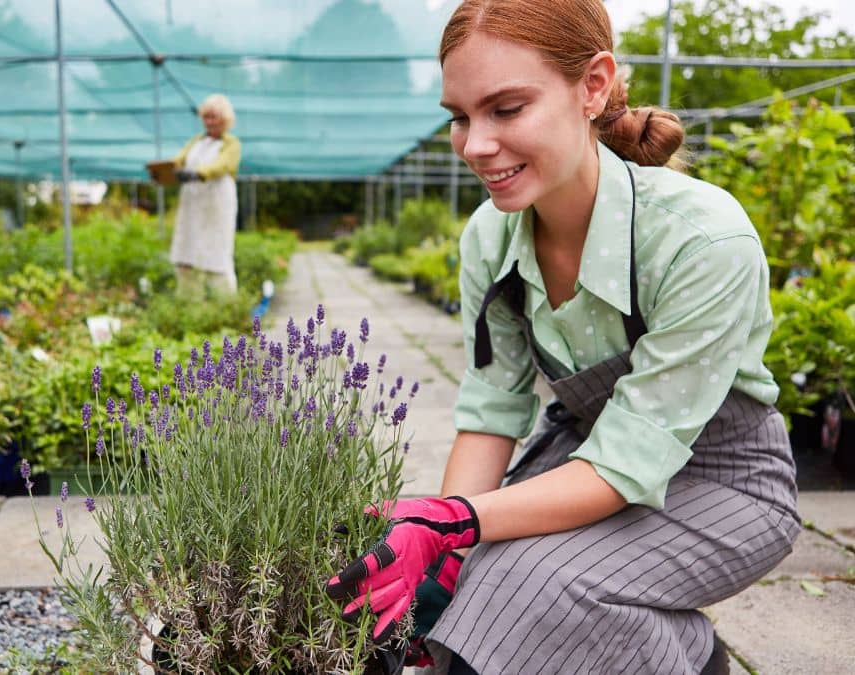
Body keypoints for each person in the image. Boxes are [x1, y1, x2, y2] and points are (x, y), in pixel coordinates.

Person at [325, 1, 800, 674]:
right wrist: (447, 543)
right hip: (585, 454)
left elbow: (625, 462)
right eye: (459, 116)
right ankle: (680, 650)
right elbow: (493, 407)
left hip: (724, 482)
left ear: (594, 85)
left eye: (506, 109)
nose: (474, 144)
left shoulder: (699, 239)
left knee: (527, 584)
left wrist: (453, 521)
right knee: (462, 592)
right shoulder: (490, 237)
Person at [169, 93, 242, 298]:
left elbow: (223, 165)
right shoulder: (197, 142)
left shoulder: (231, 143)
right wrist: (169, 171)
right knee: (187, 251)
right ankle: (189, 302)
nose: (209, 122)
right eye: (206, 117)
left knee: (216, 253)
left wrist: (199, 173)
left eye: (213, 117)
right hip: (192, 202)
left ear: (225, 120)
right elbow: (178, 161)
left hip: (216, 202)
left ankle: (227, 306)